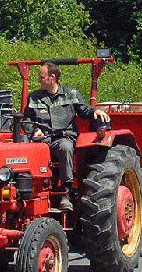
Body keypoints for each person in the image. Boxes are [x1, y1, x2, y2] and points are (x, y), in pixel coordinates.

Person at [22, 62, 110, 210]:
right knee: (24, 151)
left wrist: (95, 111)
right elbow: (26, 119)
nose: (39, 80)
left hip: (63, 137)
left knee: (65, 147)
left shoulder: (70, 94)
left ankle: (65, 193)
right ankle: (29, 192)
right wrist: (33, 130)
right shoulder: (34, 97)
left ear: (52, 77)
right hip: (41, 139)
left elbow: (84, 110)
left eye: (41, 77)